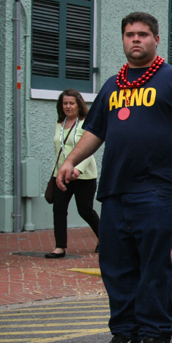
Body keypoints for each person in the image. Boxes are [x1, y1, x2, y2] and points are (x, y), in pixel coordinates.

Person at [56, 12, 172, 343]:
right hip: (115, 189)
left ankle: (155, 334)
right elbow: (95, 132)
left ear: (156, 39)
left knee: (153, 265)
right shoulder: (113, 86)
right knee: (116, 266)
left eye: (143, 34)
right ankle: (124, 332)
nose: (136, 39)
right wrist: (71, 161)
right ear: (124, 40)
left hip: (159, 189)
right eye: (130, 35)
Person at [46, 90, 100, 258]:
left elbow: (89, 150)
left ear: (79, 105)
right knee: (59, 209)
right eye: (65, 103)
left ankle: (104, 238)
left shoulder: (86, 123)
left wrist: (78, 168)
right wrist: (57, 172)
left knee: (85, 210)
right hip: (62, 175)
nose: (68, 106)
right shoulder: (60, 123)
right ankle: (60, 247)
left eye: (71, 103)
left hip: (83, 175)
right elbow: (59, 150)